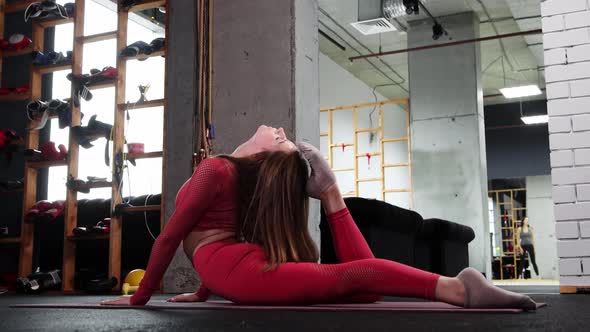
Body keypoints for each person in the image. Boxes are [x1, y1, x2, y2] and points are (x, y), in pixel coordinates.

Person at [102, 125, 537, 310]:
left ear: (267, 152)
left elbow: (173, 236)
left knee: (359, 283)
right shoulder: (225, 172)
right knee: (356, 282)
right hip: (232, 269)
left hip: (237, 267)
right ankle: (459, 290)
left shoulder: (218, 170)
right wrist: (202, 290)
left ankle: (461, 291)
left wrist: (143, 296)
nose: (279, 131)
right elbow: (198, 239)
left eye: (282, 139)